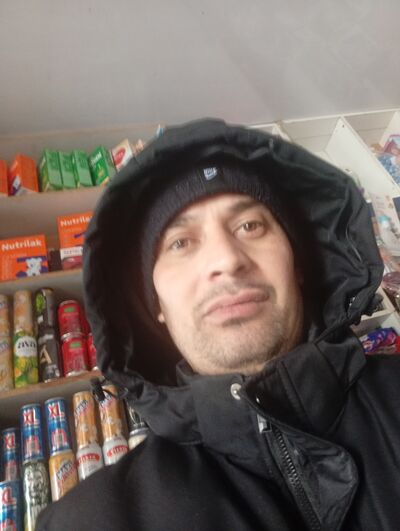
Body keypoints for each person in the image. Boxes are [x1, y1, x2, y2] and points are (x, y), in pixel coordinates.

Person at [37, 119, 400, 531]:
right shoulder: (88, 522)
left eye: (250, 226)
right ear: (155, 303)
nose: (226, 260)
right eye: (181, 243)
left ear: (298, 263)